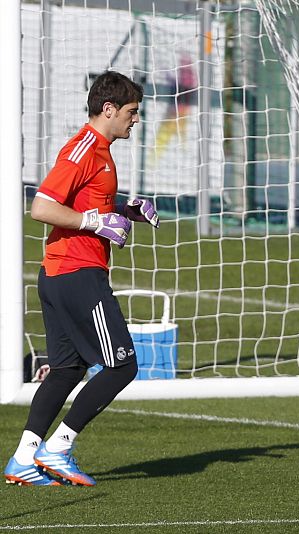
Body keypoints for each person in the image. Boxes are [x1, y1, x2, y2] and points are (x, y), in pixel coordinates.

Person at [4, 71, 159, 487]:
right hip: (76, 273)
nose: (135, 120)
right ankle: (59, 447)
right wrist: (95, 222)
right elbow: (41, 206)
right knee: (121, 366)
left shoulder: (103, 151)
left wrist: (125, 211)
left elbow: (90, 207)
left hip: (59, 273)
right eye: (131, 112)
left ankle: (23, 458)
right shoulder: (85, 149)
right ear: (108, 109)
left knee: (67, 370)